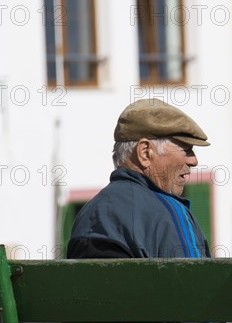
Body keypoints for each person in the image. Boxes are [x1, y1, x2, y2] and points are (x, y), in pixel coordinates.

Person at [68, 98, 211, 259]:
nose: (194, 161)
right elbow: (197, 281)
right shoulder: (170, 214)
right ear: (145, 152)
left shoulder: (87, 213)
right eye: (186, 149)